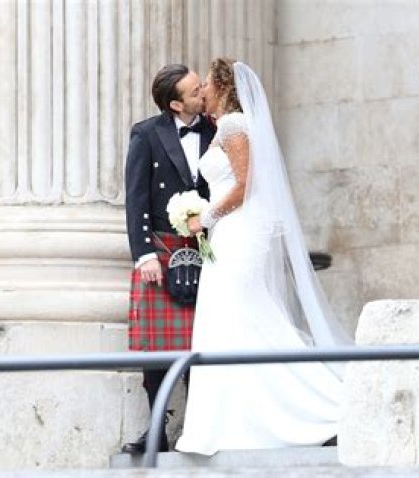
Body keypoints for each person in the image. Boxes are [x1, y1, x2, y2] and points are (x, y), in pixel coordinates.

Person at [175, 58, 351, 455]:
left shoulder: (234, 125)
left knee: (244, 313)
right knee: (230, 317)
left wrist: (205, 217)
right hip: (228, 230)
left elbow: (245, 184)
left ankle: (326, 404)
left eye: (207, 83)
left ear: (223, 87)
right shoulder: (225, 126)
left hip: (239, 228)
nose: (202, 91)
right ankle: (237, 421)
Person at [122, 64, 216, 454]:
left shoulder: (216, 129)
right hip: (162, 249)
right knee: (157, 349)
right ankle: (157, 429)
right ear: (175, 104)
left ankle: (197, 428)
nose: (203, 94)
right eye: (194, 91)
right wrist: (143, 253)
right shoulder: (146, 134)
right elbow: (136, 198)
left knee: (202, 342)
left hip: (207, 249)